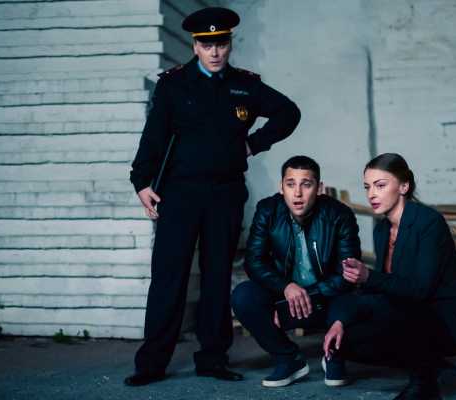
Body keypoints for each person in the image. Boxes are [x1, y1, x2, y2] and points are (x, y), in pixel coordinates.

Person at [124, 7, 301, 386]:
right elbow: (153, 137)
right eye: (207, 45)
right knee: (168, 277)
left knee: (217, 278)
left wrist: (254, 144)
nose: (215, 51)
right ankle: (151, 363)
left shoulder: (245, 85)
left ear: (229, 44)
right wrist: (141, 182)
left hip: (225, 195)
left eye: (221, 43)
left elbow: (289, 113)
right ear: (195, 46)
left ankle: (213, 359)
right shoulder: (174, 84)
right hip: (179, 194)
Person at [323, 153, 456, 400]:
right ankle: (434, 365)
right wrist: (340, 320)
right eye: (367, 187)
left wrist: (368, 276)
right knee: (345, 341)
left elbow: (421, 289)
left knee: (406, 306)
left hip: (445, 318)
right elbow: (381, 288)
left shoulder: (429, 222)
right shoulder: (382, 229)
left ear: (404, 186)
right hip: (407, 312)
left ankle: (424, 386)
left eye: (380, 185)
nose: (372, 194)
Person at [231, 156, 361, 388]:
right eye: (291, 184)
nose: (298, 193)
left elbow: (347, 275)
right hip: (286, 296)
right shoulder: (268, 210)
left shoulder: (339, 215)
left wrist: (306, 296)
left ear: (319, 188)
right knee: (244, 296)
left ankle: (334, 355)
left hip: (326, 298)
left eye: (306, 184)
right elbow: (254, 262)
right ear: (281, 187)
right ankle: (288, 359)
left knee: (352, 299)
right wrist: (285, 288)